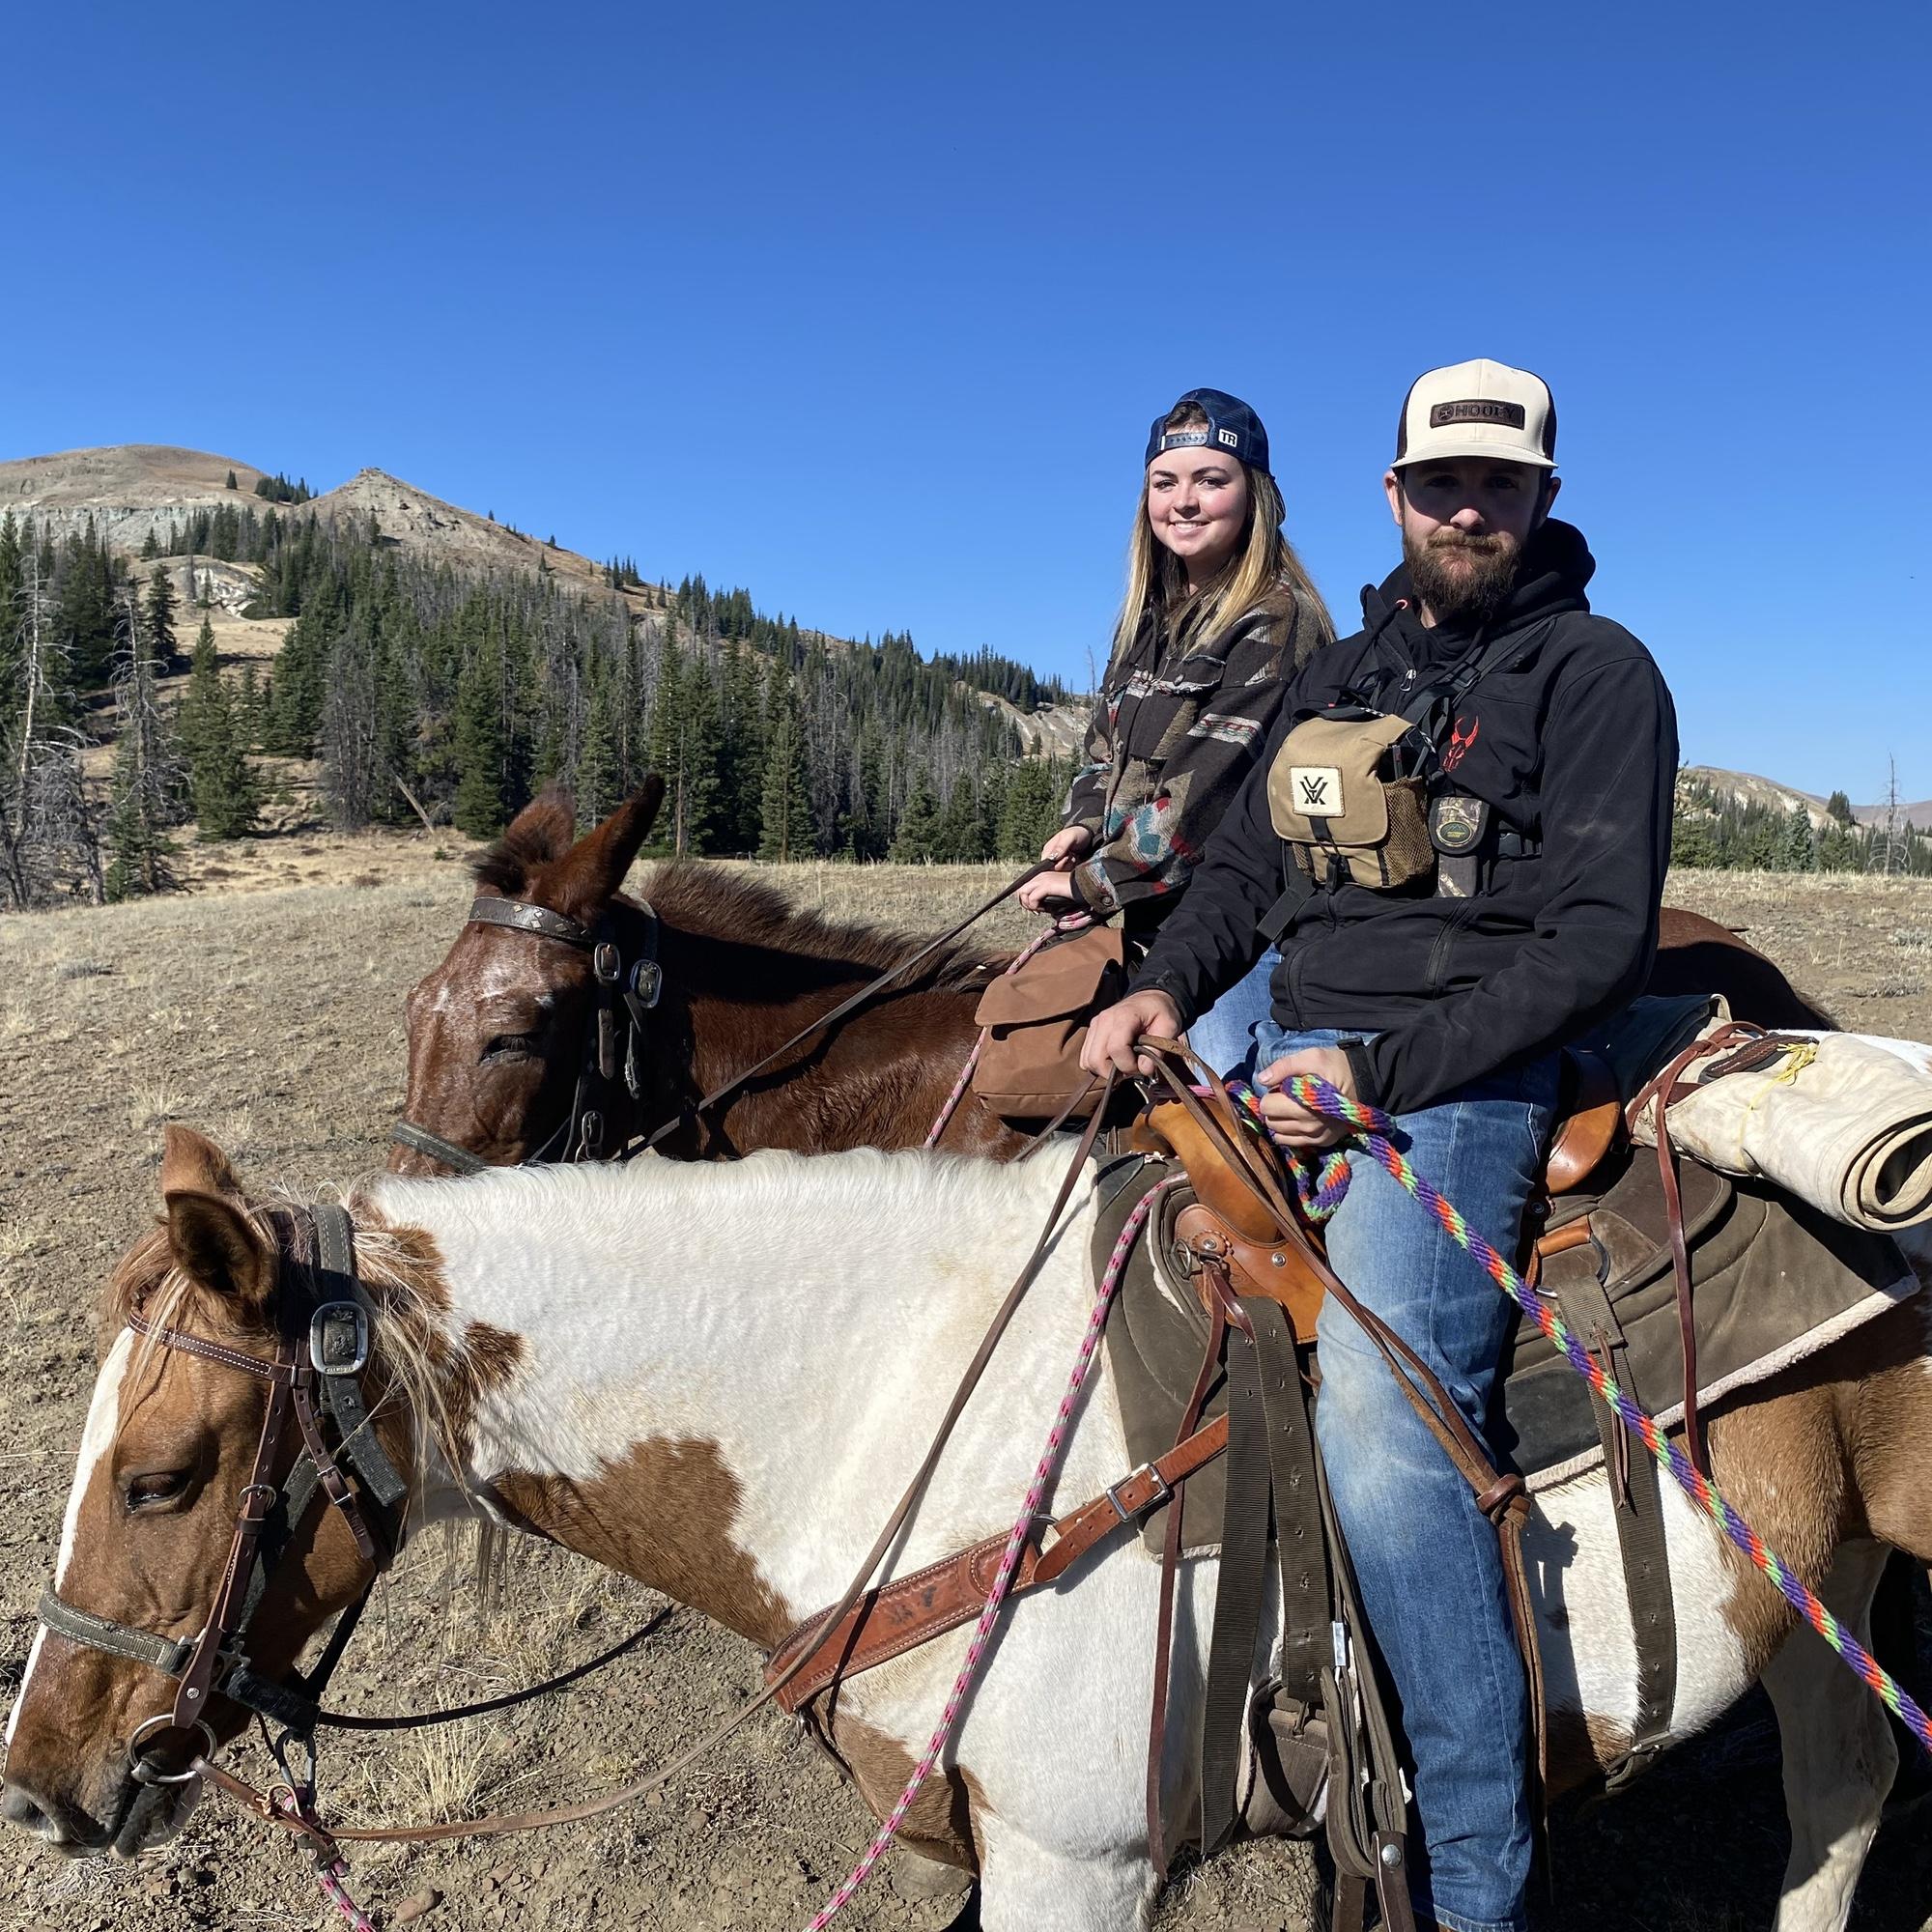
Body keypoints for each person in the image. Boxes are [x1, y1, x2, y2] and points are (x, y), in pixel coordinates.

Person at [1083, 359, 1677, 1932]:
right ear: (1396, 494)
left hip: (1460, 1086)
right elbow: (1243, 878)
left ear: (1542, 496)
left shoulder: (1598, 673)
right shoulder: (1341, 672)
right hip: (1286, 1050)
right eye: (1441, 483)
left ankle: (1478, 1880)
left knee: (1382, 1424)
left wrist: (1378, 1072)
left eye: (1499, 484)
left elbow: (1598, 945)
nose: (1467, 509)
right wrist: (1162, 987)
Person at [1017, 387, 1331, 1075]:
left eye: (1210, 480)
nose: (1183, 501)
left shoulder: (1278, 620)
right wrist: (1081, 827)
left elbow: (1209, 795)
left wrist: (1093, 883)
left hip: (1238, 935)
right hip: (1150, 917)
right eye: (1165, 483)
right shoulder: (1149, 621)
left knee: (1225, 1104)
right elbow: (1103, 752)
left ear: (1255, 497)